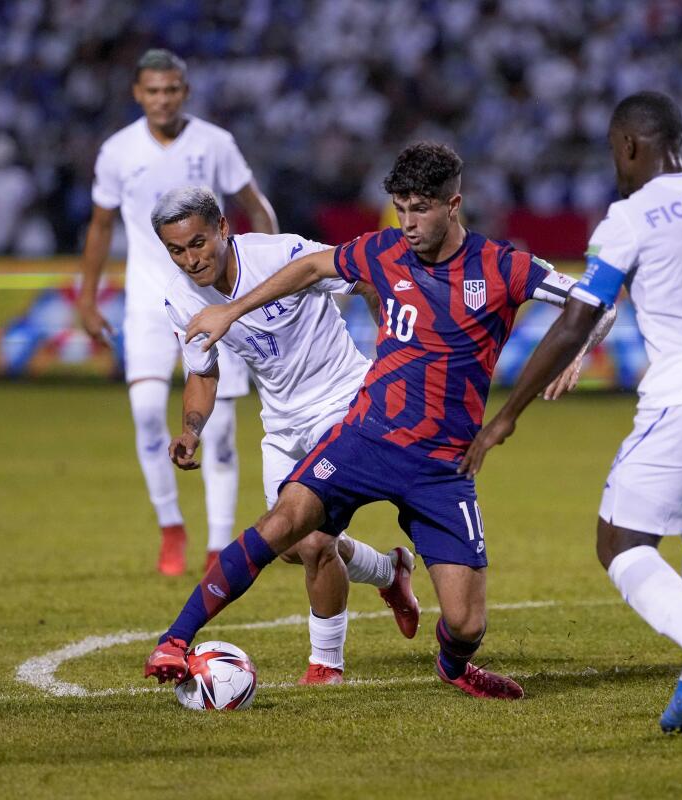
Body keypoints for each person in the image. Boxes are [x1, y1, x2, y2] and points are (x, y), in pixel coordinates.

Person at [144, 142, 614, 699]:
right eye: (400, 209)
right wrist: (231, 314)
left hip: (444, 463)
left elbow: (598, 305)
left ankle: (453, 664)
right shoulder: (382, 249)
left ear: (453, 205)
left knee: (466, 623)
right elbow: (312, 268)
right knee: (288, 527)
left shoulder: (503, 265)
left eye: (421, 209)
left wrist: (577, 347)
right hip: (364, 436)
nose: (408, 223)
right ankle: (175, 640)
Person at [460, 92, 682, 746]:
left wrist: (506, 415)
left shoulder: (631, 214)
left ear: (631, 145)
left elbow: (577, 319)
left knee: (619, 544)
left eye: (615, 151)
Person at [153, 186, 420, 685]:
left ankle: (326, 665)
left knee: (313, 539)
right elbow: (203, 371)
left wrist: (392, 347)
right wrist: (191, 428)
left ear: (223, 228)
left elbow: (363, 277)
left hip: (343, 403)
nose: (191, 260)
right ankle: (389, 572)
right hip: (280, 423)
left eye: (198, 243)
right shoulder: (179, 297)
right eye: (176, 250)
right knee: (289, 545)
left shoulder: (284, 254)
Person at [76, 49, 279, 575]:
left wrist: (268, 272)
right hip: (147, 298)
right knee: (147, 410)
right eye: (153, 90)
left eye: (171, 90)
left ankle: (217, 546)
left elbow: (255, 205)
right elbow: (101, 226)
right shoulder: (118, 151)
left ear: (184, 92)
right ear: (137, 94)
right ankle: (170, 525)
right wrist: (87, 296)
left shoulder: (215, 143)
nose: (162, 99)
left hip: (212, 299)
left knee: (222, 428)